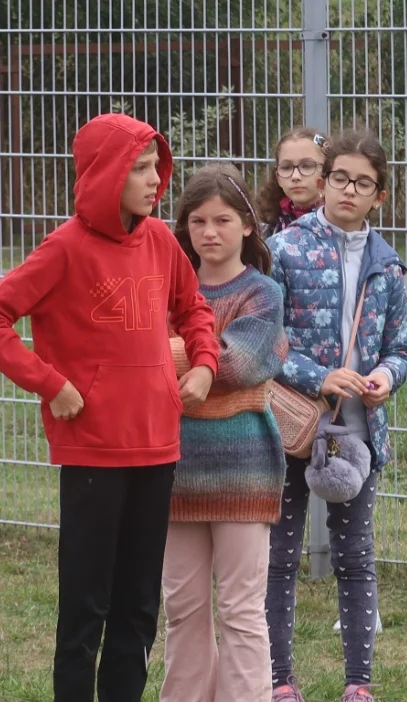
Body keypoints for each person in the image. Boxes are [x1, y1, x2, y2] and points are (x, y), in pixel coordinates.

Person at [0, 113, 219, 702]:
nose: (155, 180)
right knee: (86, 607)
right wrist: (51, 384)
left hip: (158, 446)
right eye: (139, 168)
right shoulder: (64, 249)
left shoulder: (159, 240)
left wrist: (204, 364)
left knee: (138, 606)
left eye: (157, 167)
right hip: (93, 452)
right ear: (105, 175)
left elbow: (194, 308)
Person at [265, 130, 407, 702]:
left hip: (356, 432)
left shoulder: (388, 266)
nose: (349, 189)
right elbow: (265, 340)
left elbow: (399, 348)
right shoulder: (286, 250)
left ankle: (359, 684)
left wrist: (385, 379)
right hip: (289, 427)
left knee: (355, 557)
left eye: (364, 183)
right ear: (324, 182)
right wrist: (317, 376)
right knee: (279, 558)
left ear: (380, 195)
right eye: (341, 178)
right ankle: (280, 681)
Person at [158, 163, 287, 701]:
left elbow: (240, 364)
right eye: (198, 222)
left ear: (248, 226)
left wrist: (165, 358)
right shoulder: (164, 290)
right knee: (182, 609)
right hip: (174, 471)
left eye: (223, 220)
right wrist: (201, 363)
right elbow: (215, 364)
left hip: (244, 474)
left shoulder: (263, 293)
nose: (209, 233)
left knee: (239, 610)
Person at [256, 128, 328, 237]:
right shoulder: (265, 229)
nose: (295, 176)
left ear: (327, 171)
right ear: (278, 177)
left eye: (307, 166)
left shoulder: (344, 225)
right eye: (286, 167)